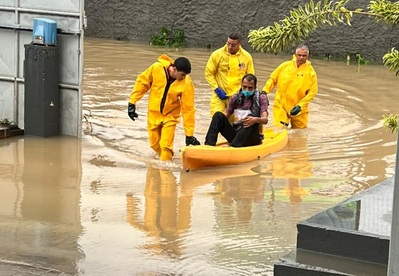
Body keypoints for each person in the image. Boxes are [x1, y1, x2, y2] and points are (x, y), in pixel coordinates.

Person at [127, 54, 200, 161]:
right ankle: (166, 162)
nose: (184, 77)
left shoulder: (186, 82)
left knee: (165, 147)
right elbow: (142, 82)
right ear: (174, 69)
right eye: (182, 74)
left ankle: (166, 171)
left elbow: (188, 109)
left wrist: (189, 134)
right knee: (154, 145)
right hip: (153, 114)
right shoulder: (156, 68)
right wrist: (132, 102)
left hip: (170, 116)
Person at [262, 44, 318, 128]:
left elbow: (312, 93)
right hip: (281, 104)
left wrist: (300, 106)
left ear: (307, 56)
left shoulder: (311, 73)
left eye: (304, 55)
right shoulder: (284, 66)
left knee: (300, 131)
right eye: (299, 55)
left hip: (299, 108)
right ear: (295, 55)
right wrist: (264, 91)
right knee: (280, 129)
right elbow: (273, 80)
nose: (301, 57)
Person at [204, 74, 268, 147]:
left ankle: (233, 147)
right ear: (241, 85)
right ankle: (209, 145)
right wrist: (218, 123)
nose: (247, 90)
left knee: (249, 119)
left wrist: (255, 120)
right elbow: (226, 115)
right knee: (218, 115)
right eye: (244, 87)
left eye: (250, 88)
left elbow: (265, 119)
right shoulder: (235, 98)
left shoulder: (261, 98)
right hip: (237, 134)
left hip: (252, 138)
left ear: (255, 87)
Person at [205, 33, 255, 117]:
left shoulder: (246, 57)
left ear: (239, 44)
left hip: (238, 97)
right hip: (219, 96)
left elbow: (251, 77)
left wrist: (245, 93)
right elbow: (208, 73)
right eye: (228, 44)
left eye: (233, 45)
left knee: (236, 125)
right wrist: (216, 88)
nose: (230, 47)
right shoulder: (217, 54)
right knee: (218, 119)